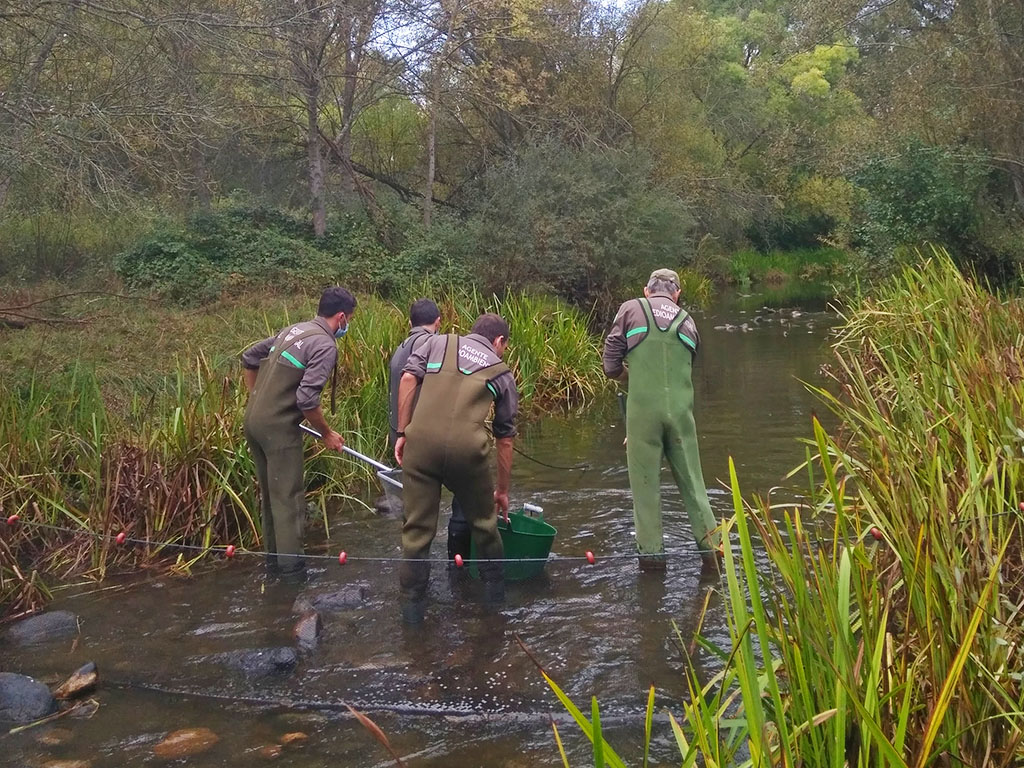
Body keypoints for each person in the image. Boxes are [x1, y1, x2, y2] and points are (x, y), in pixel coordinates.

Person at [394, 313, 518, 623]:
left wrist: (402, 431)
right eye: (504, 345)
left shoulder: (437, 343)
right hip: (467, 452)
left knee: (416, 533)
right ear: (499, 341)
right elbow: (505, 439)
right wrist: (501, 491)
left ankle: (412, 618)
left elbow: (408, 377)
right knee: (485, 526)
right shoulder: (501, 371)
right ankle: (494, 613)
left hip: (419, 445)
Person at [602, 269, 720, 570]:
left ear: (647, 290)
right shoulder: (689, 322)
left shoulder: (631, 309)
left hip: (643, 416)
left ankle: (652, 567)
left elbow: (610, 364)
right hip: (682, 417)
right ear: (677, 293)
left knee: (646, 493)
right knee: (695, 487)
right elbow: (683, 371)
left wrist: (635, 379)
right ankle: (714, 557)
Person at [241, 286, 357, 579]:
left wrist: (257, 398)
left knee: (271, 497)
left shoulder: (294, 330)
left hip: (253, 421)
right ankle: (292, 576)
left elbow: (249, 357)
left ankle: (273, 566)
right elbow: (307, 399)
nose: (348, 325)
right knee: (288, 500)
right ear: (341, 317)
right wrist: (327, 433)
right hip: (278, 429)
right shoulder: (324, 345)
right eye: (350, 319)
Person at [387, 298, 472, 560]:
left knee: (416, 515)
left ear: (410, 322)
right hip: (425, 437)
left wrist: (400, 434)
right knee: (466, 494)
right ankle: (459, 564)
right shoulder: (432, 343)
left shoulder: (400, 348)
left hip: (404, 437)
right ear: (437, 322)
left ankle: (414, 582)